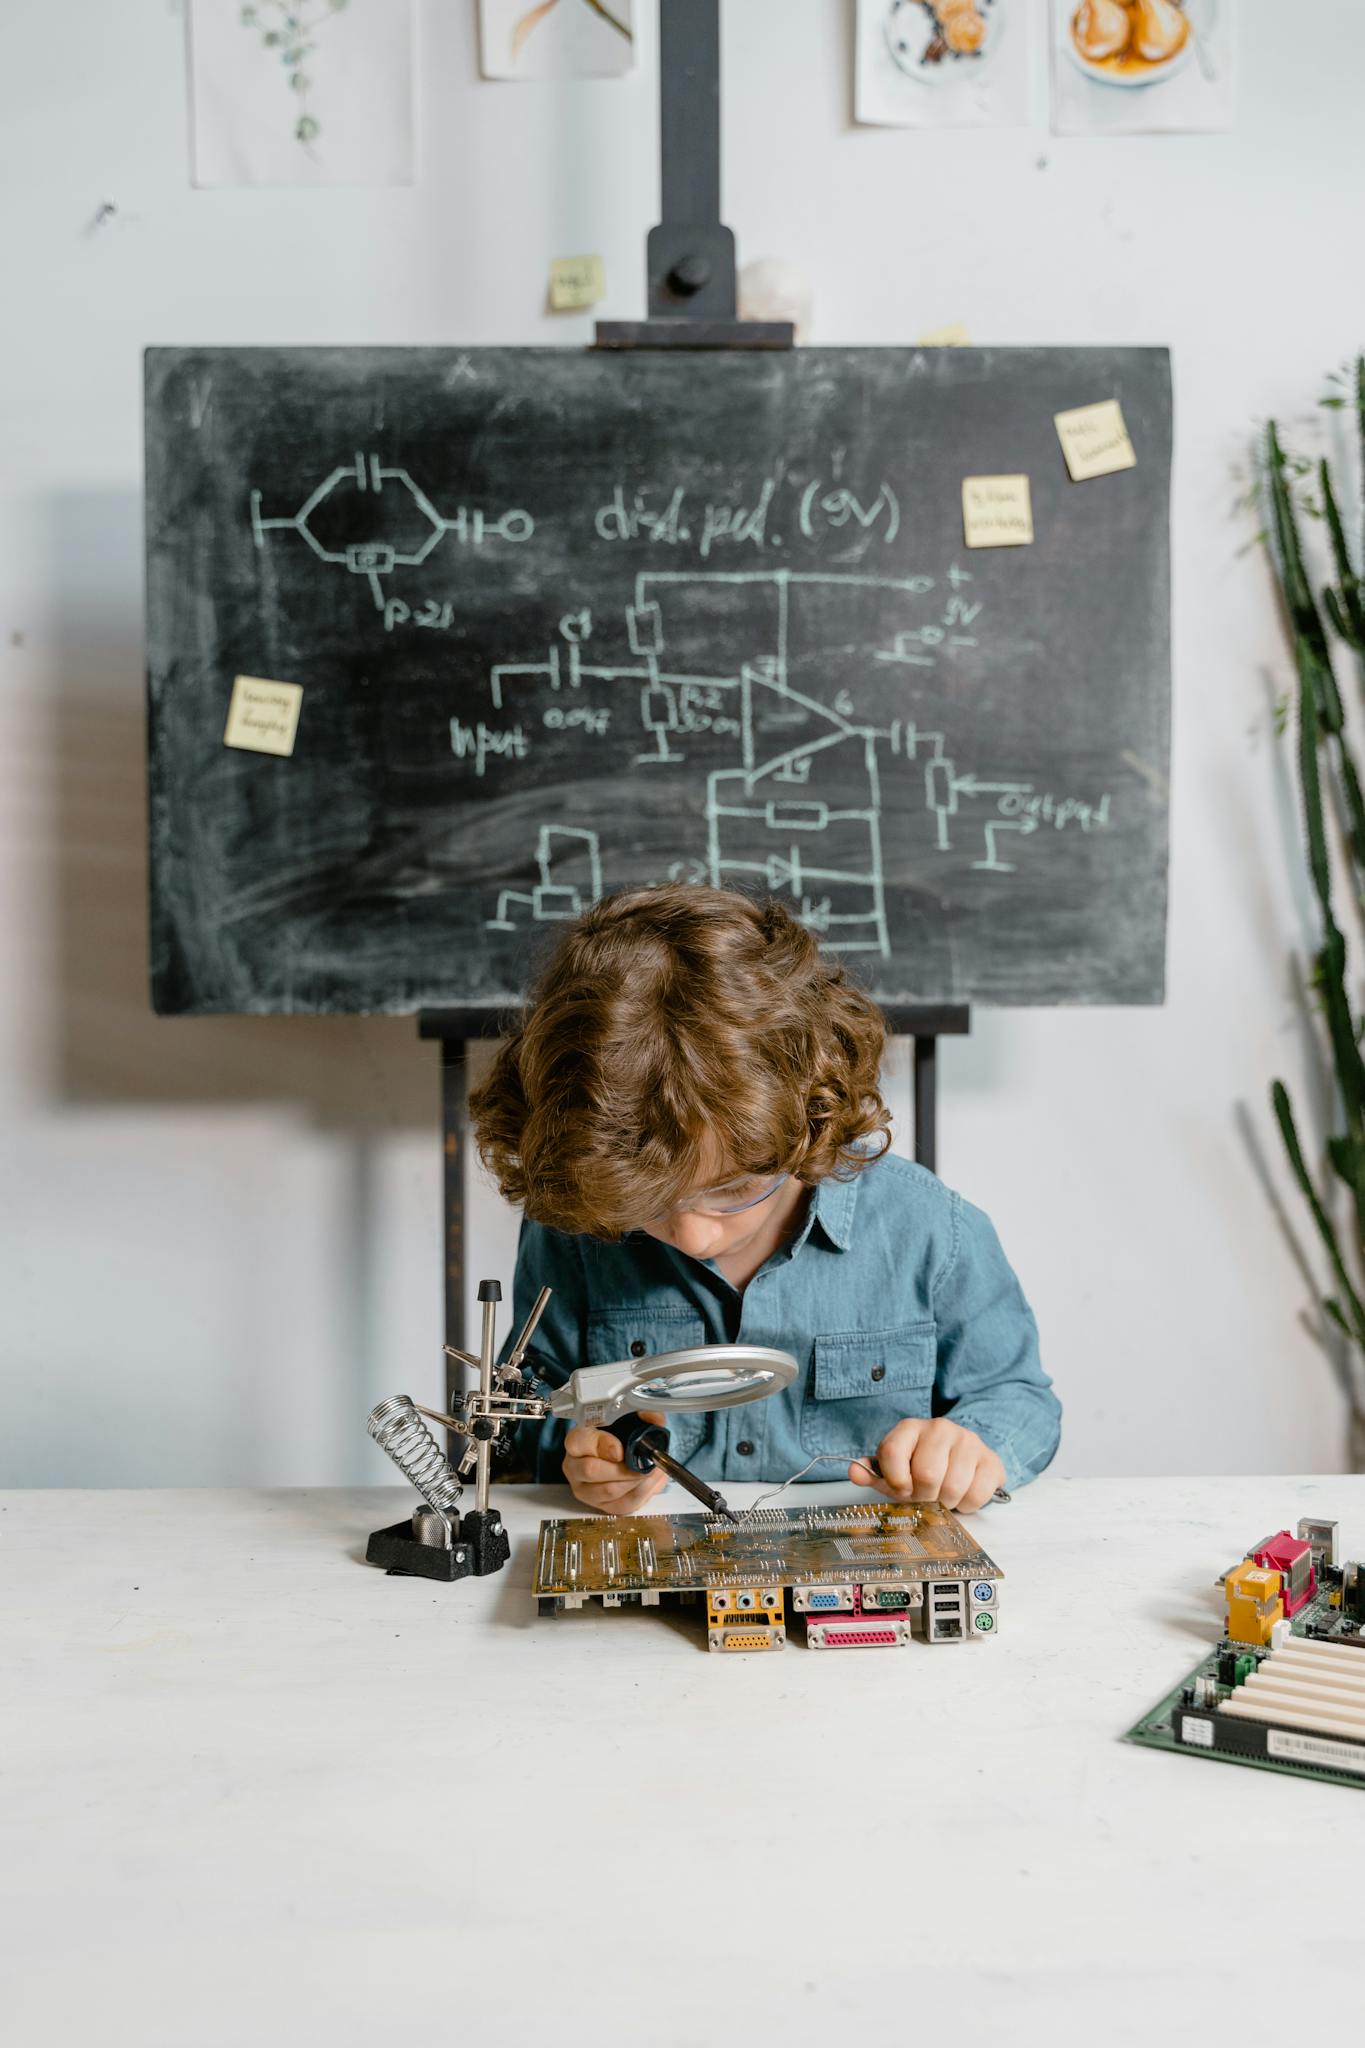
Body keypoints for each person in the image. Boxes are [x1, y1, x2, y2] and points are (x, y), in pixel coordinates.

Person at [470, 884, 1060, 1516]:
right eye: (651, 1202)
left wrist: (975, 1448)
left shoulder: (928, 1230)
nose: (694, 1236)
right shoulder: (578, 1225)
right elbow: (526, 1403)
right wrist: (583, 1455)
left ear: (812, 1117)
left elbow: (1017, 1396)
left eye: (733, 1189)